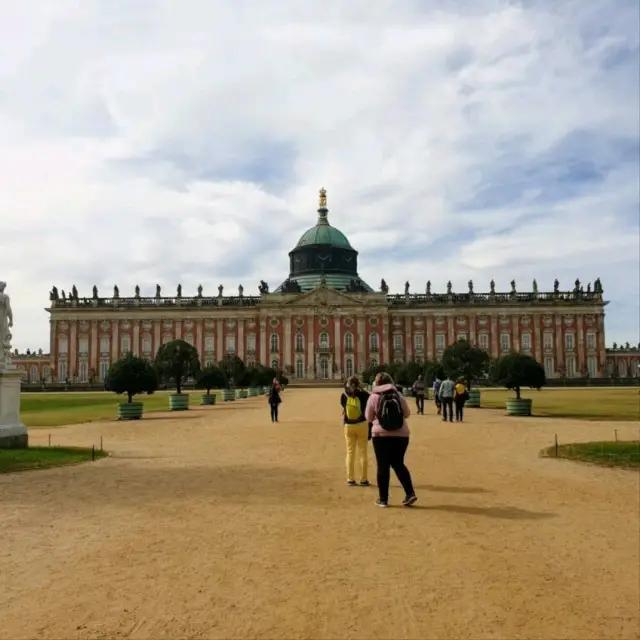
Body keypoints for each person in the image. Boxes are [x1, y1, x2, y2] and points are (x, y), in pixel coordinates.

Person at [365, 372, 417, 508]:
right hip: (401, 435)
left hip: (380, 435)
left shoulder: (373, 396)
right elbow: (407, 414)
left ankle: (383, 499)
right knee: (399, 464)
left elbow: (368, 417)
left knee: (383, 466)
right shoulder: (398, 395)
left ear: (377, 383)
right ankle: (410, 493)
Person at [340, 376, 371, 486]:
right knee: (363, 452)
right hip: (362, 424)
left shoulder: (344, 395)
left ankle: (350, 479)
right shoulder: (365, 394)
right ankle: (363, 479)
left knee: (350, 452)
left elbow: (343, 406)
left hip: (348, 425)